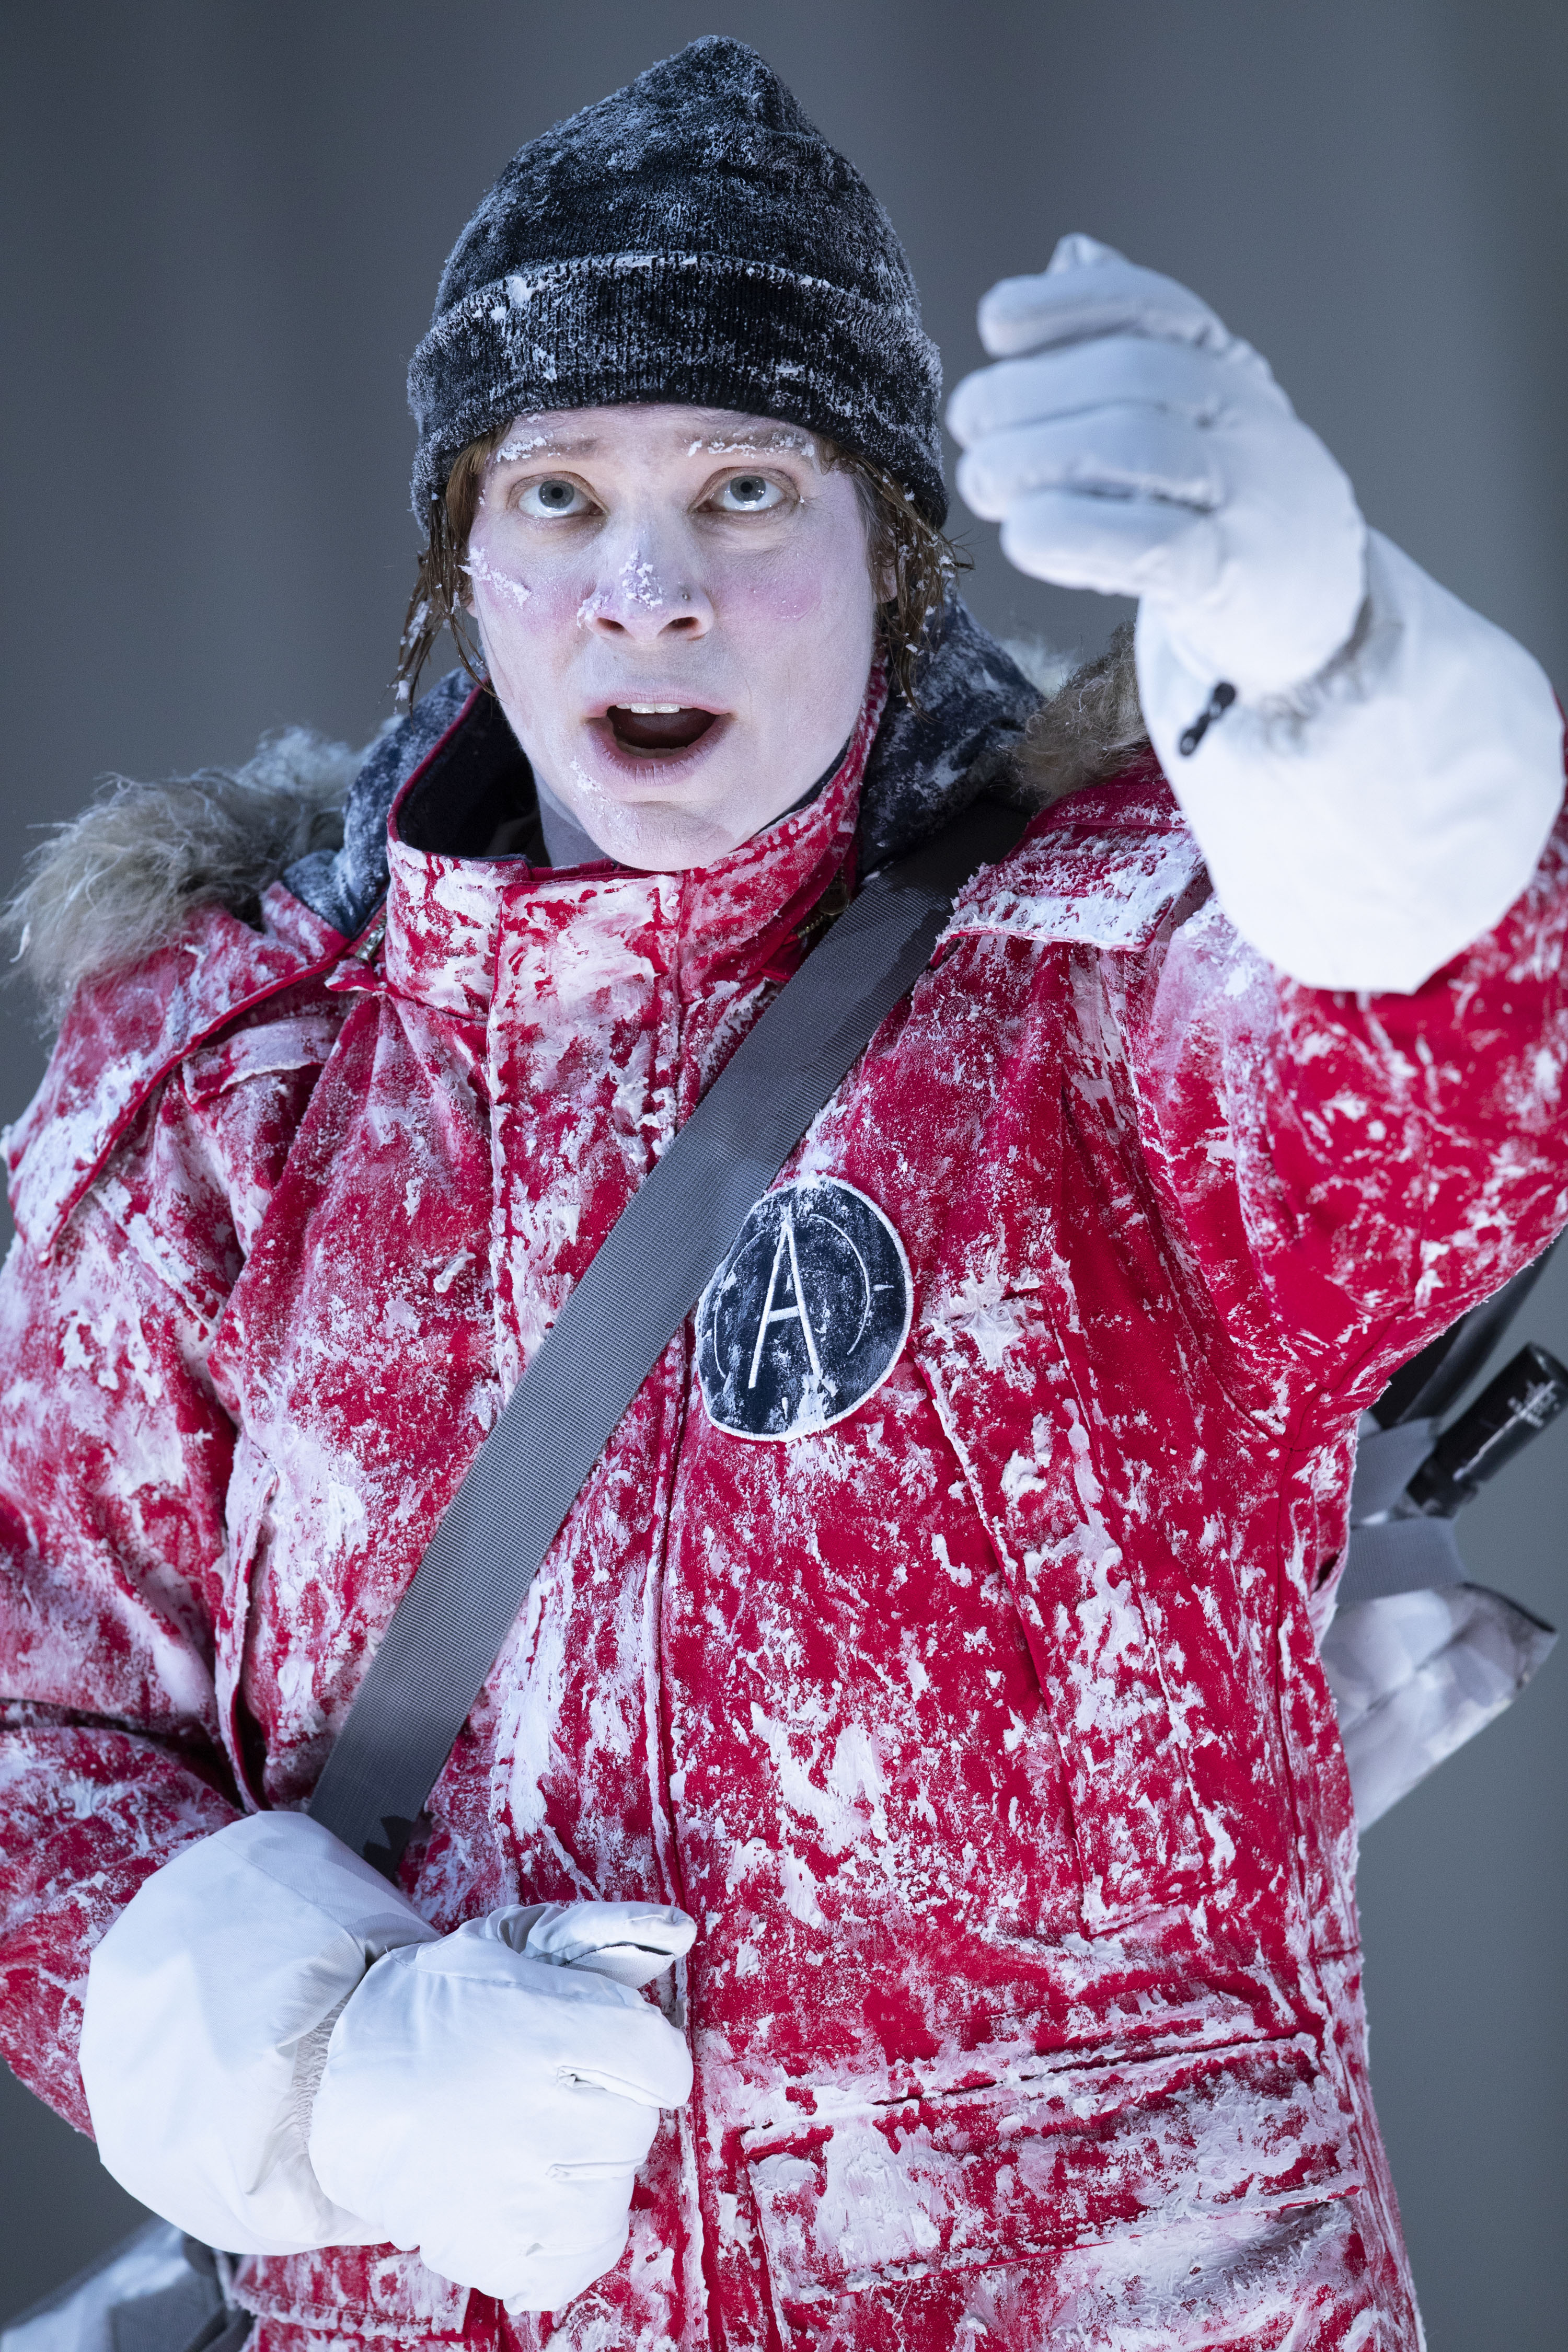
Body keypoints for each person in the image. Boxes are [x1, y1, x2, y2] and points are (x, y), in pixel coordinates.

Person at [2, 34, 1564, 2352]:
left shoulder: (1121, 990)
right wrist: (324, 2077)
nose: (648, 584)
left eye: (746, 487)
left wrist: (1327, 656)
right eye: (558, 495)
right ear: (462, 567)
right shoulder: (225, 1099)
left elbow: (1458, 1067)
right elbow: (36, 1730)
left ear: (889, 556)